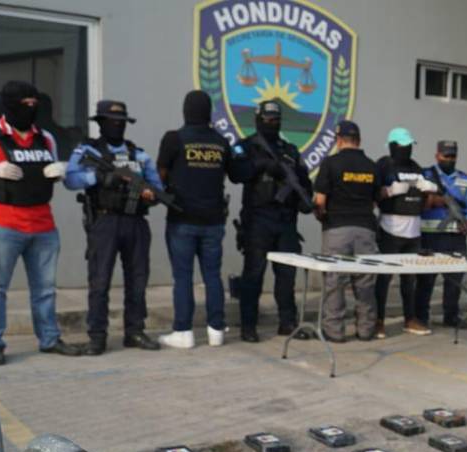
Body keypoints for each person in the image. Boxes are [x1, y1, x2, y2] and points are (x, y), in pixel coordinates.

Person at [0, 80, 81, 365]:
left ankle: (49, 338)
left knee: (44, 290)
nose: (30, 109)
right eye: (25, 104)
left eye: (34, 104)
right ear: (9, 105)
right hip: (4, 227)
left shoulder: (46, 138)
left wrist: (61, 172)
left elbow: (52, 172)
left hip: (43, 227)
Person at [64, 100, 164, 355]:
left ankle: (135, 331)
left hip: (136, 222)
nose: (117, 126)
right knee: (100, 280)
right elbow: (71, 179)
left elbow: (156, 186)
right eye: (112, 121)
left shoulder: (138, 154)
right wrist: (98, 177)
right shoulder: (89, 151)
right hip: (105, 221)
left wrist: (150, 194)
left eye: (121, 122)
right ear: (101, 123)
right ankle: (97, 336)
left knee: (138, 279)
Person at [156, 90, 252, 349]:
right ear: (209, 112)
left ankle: (183, 331)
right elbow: (235, 174)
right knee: (212, 275)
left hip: (182, 219)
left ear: (185, 110)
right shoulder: (221, 142)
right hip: (213, 221)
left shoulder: (174, 139)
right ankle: (216, 330)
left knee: (183, 276)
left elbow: (160, 175)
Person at [237, 100, 312, 343]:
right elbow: (236, 173)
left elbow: (304, 181)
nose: (272, 123)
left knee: (287, 275)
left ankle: (287, 322)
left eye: (276, 119)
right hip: (258, 219)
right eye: (267, 119)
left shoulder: (290, 150)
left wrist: (303, 197)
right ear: (258, 119)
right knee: (253, 274)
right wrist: (261, 165)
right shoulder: (247, 146)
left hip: (286, 220)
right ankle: (248, 325)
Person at [312, 120, 380, 342]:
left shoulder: (331, 163)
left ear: (338, 140)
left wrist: (320, 215)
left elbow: (320, 200)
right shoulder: (372, 166)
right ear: (359, 140)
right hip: (366, 230)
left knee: (334, 281)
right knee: (366, 282)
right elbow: (377, 200)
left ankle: (335, 332)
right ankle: (366, 330)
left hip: (337, 229)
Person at [374, 126, 437, 338]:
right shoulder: (383, 165)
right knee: (384, 278)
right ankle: (378, 321)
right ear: (392, 146)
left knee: (409, 280)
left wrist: (429, 190)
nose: (407, 149)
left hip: (414, 230)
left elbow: (427, 204)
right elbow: (373, 195)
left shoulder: (416, 167)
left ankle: (410, 319)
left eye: (409, 145)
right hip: (390, 228)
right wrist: (390, 190)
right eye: (403, 146)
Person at [416, 140, 467, 329]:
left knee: (454, 281)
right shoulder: (426, 175)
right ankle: (421, 317)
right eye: (446, 156)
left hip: (456, 237)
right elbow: (416, 201)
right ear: (437, 155)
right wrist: (432, 201)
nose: (449, 159)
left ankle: (450, 316)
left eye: (452, 156)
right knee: (426, 280)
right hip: (431, 235)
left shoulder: (464, 178)